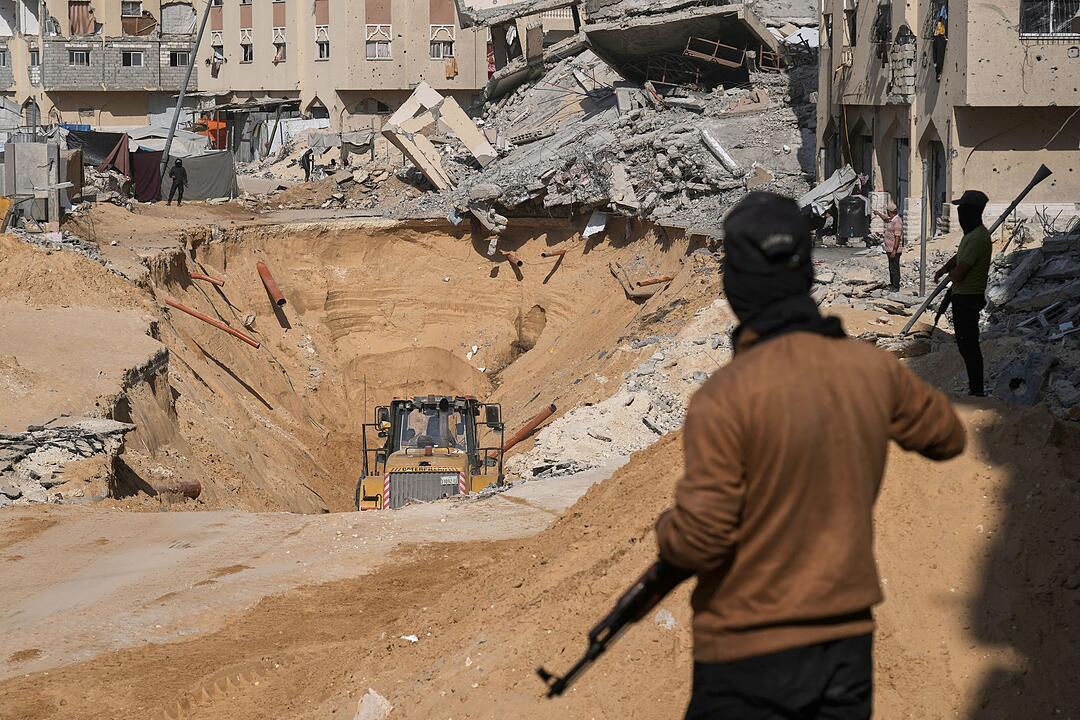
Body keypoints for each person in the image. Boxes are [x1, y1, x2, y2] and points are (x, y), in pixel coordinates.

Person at [654, 191, 966, 720]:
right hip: (844, 646)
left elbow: (701, 540)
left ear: (738, 285)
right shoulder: (871, 370)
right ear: (807, 270)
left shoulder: (725, 397)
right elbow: (946, 437)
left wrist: (667, 529)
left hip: (747, 649)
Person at [934, 190, 992, 396]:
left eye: (961, 211)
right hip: (962, 296)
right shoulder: (971, 236)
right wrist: (942, 270)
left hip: (968, 298)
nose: (959, 216)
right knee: (965, 344)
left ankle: (976, 391)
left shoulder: (978, 238)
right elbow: (959, 258)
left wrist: (949, 275)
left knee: (969, 346)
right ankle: (975, 388)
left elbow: (959, 273)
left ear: (970, 213)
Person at [873, 201, 904, 291]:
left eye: (887, 211)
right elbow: (886, 219)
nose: (887, 213)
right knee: (891, 267)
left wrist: (894, 249)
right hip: (889, 248)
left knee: (895, 268)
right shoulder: (892, 219)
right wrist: (878, 214)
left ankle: (895, 286)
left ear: (891, 212)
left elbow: (897, 237)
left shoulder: (897, 221)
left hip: (894, 249)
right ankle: (892, 284)